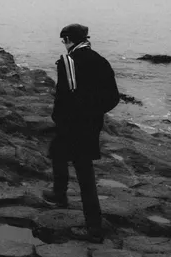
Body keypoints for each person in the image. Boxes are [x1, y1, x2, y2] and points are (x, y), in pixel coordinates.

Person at [45, 23, 120, 242]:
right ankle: (59, 194)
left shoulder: (68, 62)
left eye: (64, 40)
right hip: (90, 124)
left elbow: (62, 96)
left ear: (69, 39)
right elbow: (113, 97)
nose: (64, 44)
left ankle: (94, 228)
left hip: (71, 123)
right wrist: (93, 111)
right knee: (59, 153)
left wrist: (60, 118)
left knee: (83, 172)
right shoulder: (100, 61)